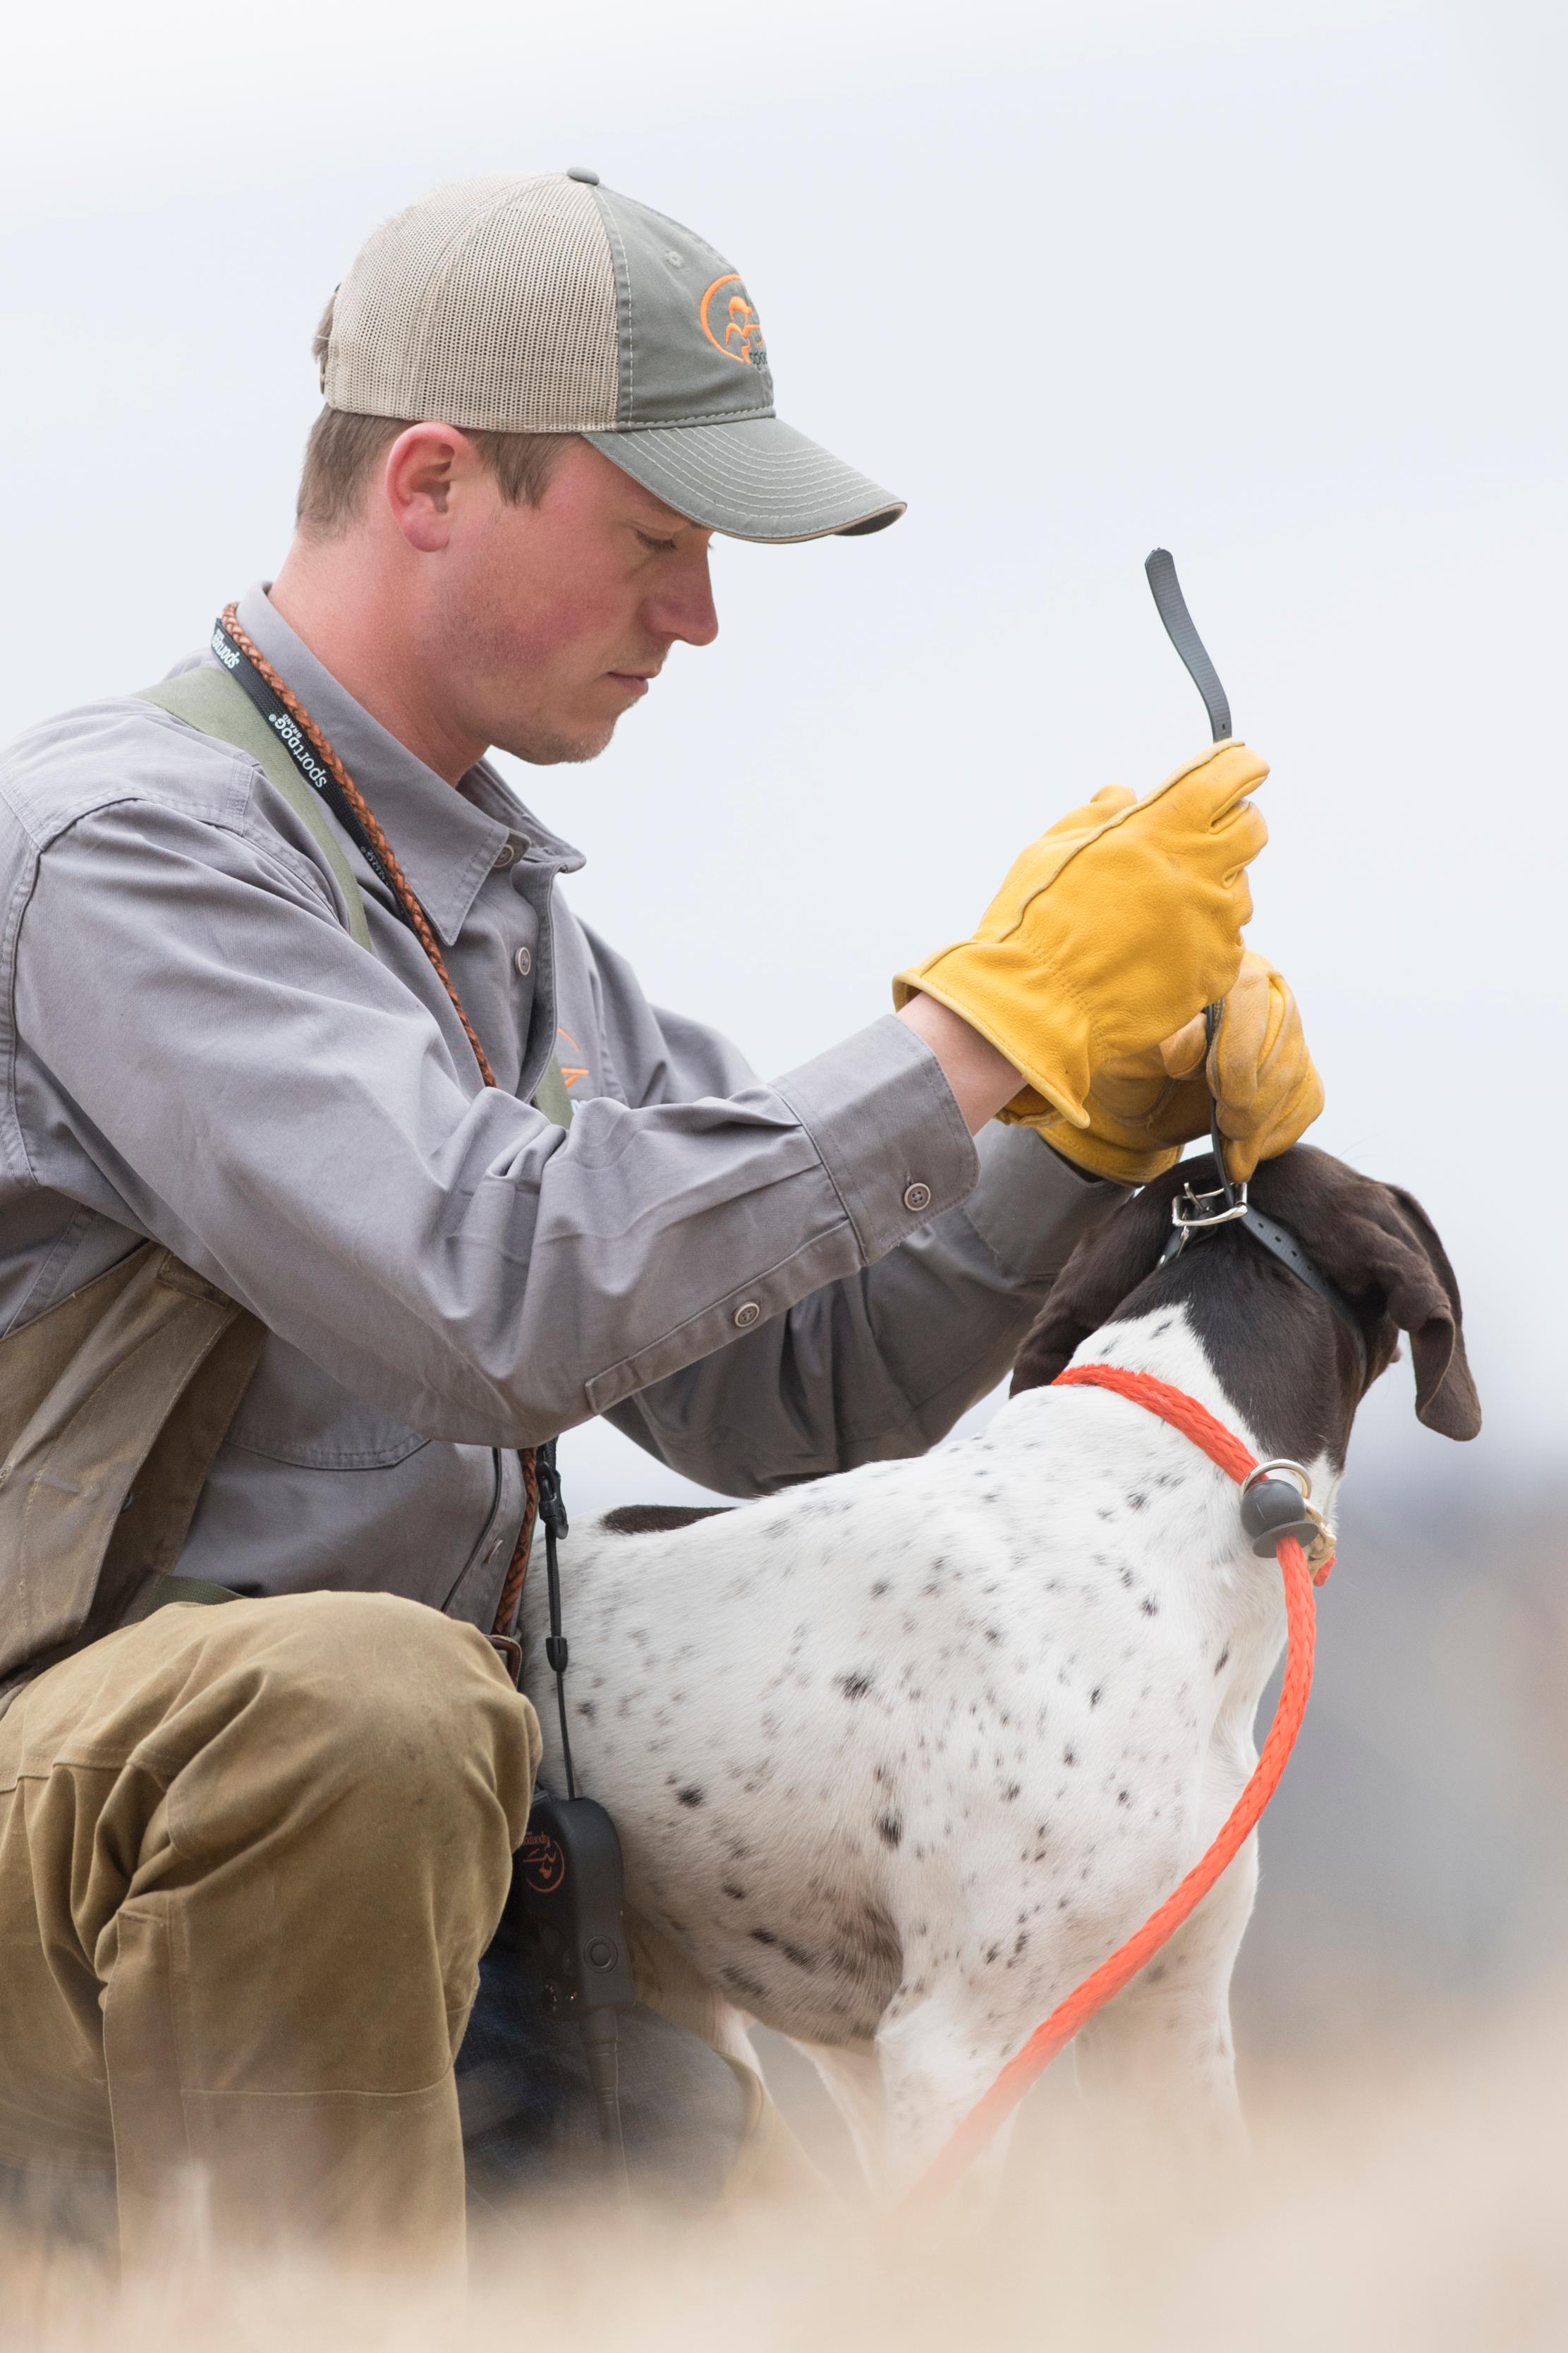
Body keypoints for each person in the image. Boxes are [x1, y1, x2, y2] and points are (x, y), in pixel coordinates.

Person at [0, 170, 1320, 2267]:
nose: (697, 617)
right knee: (369, 1703)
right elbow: (494, 1289)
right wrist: (978, 1031)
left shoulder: (507, 927)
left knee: (815, 2291)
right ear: (434, 480)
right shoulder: (133, 855)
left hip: (452, 1858)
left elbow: (800, 1384)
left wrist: (1070, 1124)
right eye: (655, 539)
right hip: (102, 1834)